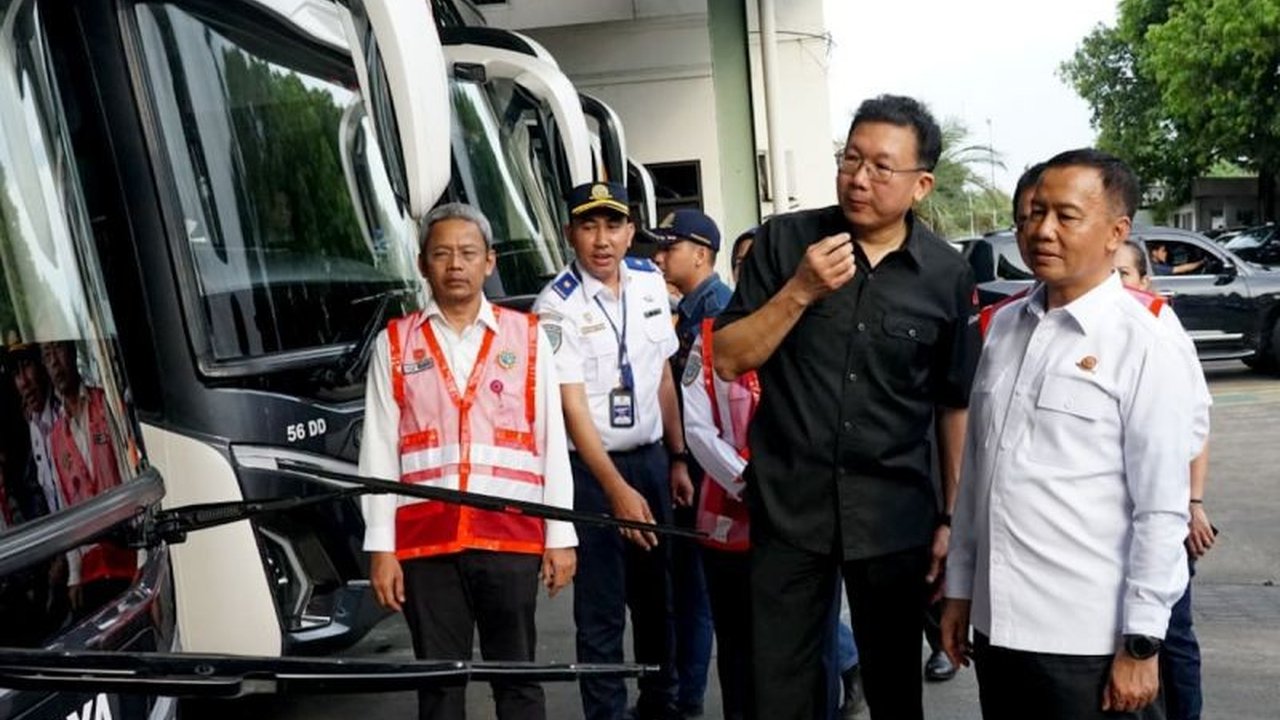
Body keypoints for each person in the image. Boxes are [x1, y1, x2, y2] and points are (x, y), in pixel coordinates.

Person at [713, 94, 980, 720]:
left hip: (893, 514)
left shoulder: (945, 273)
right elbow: (729, 357)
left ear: (921, 184)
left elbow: (953, 405)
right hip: (789, 506)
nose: (859, 178)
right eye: (850, 159)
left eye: (881, 167)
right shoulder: (785, 243)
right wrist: (800, 290)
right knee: (781, 687)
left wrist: (950, 517)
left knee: (893, 683)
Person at [942, 149, 1195, 720]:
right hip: (1001, 630)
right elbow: (978, 479)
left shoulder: (1144, 339)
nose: (1041, 231)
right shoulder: (1005, 327)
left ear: (1116, 232)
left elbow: (1161, 507)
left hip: (1089, 641)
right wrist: (960, 591)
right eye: (1033, 214)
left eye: (1065, 215)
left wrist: (1142, 642)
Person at [359, 202, 577, 720]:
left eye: (467, 253)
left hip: (509, 534)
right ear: (422, 265)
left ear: (489, 262)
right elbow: (379, 452)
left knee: (518, 680)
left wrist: (561, 537)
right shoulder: (395, 343)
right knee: (438, 685)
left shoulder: (526, 337)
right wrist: (381, 549)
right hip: (425, 541)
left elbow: (550, 440)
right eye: (442, 254)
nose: (455, 264)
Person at [533, 182, 691, 720]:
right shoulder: (555, 305)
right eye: (589, 226)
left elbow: (662, 375)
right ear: (570, 232)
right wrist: (616, 490)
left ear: (630, 232)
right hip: (591, 472)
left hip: (650, 461)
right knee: (600, 614)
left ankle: (661, 706)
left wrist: (677, 456)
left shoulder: (651, 283)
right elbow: (572, 411)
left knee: (657, 605)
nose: (602, 240)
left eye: (613, 225)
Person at [1114, 240, 1215, 720]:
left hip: (1162, 523)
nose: (1116, 287)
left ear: (1144, 281)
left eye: (1124, 276)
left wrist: (1194, 504)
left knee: (1170, 639)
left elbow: (1195, 430)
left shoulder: (1158, 328)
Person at [652, 208, 730, 718]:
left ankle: (688, 700)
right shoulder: (685, 309)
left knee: (705, 589)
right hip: (690, 466)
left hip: (715, 472)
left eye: (669, 247)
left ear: (700, 254)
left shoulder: (719, 310)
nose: (659, 257)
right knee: (691, 586)